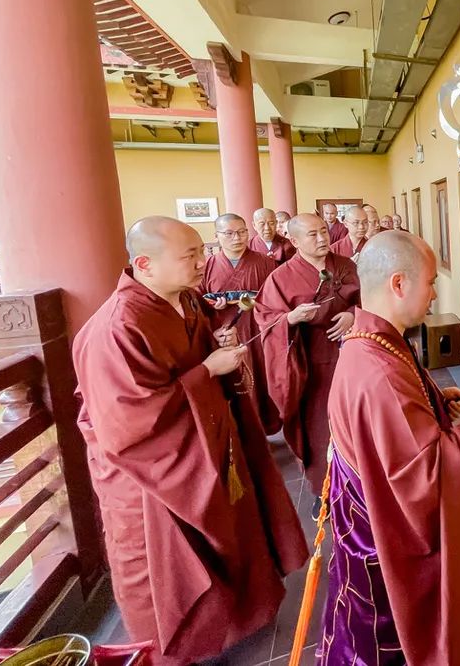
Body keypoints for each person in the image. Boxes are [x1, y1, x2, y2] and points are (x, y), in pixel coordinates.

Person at [73, 217, 307, 666]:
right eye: (191, 256)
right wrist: (208, 371)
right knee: (167, 567)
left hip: (204, 442)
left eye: (202, 251)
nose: (203, 263)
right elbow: (129, 421)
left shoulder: (185, 300)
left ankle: (239, 619)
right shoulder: (117, 328)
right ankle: (174, 652)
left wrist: (217, 347)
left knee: (230, 534)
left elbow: (197, 354)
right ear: (145, 264)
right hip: (151, 469)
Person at [318, 230, 460, 666]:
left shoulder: (372, 340)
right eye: (429, 282)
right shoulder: (378, 371)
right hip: (388, 547)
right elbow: (432, 473)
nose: (434, 294)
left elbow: (395, 423)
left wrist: (433, 402)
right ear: (398, 283)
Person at [253, 213, 360, 500]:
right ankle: (324, 492)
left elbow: (370, 300)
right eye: (313, 234)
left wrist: (353, 315)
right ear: (294, 240)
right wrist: (290, 318)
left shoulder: (346, 266)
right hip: (310, 365)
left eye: (323, 231)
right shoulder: (281, 277)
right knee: (319, 429)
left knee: (356, 423)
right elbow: (265, 318)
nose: (322, 238)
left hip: (351, 357)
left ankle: (360, 488)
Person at [200, 213, 281, 434]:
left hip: (257, 330)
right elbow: (196, 300)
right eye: (229, 233)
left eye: (242, 232)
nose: (237, 238)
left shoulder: (266, 262)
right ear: (216, 236)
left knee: (261, 377)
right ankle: (233, 433)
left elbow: (277, 296)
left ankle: (264, 429)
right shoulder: (207, 266)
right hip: (223, 333)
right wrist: (211, 304)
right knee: (228, 383)